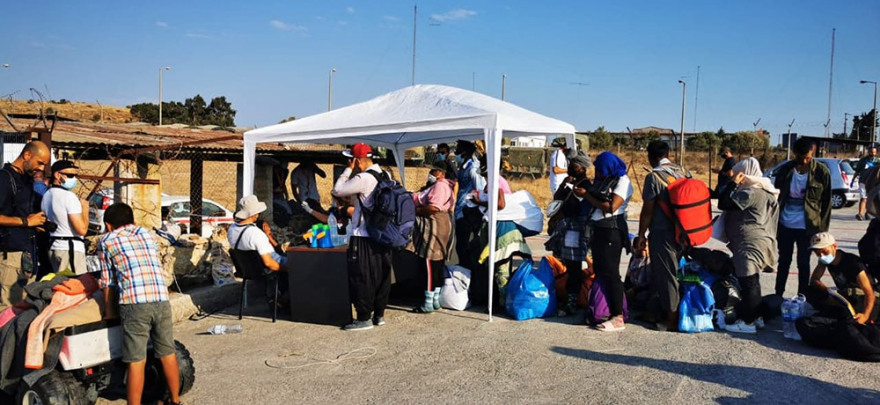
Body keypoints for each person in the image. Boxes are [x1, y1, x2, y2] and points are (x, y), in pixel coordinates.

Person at [96, 203, 181, 405]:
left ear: (108, 225)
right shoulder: (147, 234)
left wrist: (109, 313)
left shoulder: (107, 241)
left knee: (136, 360)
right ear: (132, 221)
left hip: (134, 303)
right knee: (167, 352)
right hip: (161, 299)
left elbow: (108, 282)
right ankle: (175, 400)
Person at [331, 143, 393, 331]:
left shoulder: (363, 177)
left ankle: (364, 317)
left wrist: (347, 170)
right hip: (383, 233)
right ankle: (379, 314)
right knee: (381, 274)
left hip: (363, 234)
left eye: (351, 159)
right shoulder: (385, 175)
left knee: (361, 276)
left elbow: (337, 190)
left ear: (357, 160)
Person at [717, 157, 779, 334]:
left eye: (737, 175)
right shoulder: (766, 190)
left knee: (749, 283)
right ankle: (756, 316)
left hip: (749, 243)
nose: (736, 178)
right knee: (753, 281)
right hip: (759, 240)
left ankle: (748, 322)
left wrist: (732, 184)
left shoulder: (751, 192)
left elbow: (724, 203)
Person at [634, 140, 690, 331]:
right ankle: (653, 311)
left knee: (667, 275)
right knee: (664, 272)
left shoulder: (654, 177)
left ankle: (672, 319)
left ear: (650, 156)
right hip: (684, 232)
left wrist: (641, 234)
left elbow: (648, 210)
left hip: (662, 233)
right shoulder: (683, 171)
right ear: (668, 153)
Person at [580, 151, 633, 331]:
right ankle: (603, 311)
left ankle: (618, 317)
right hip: (599, 230)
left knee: (611, 273)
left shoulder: (623, 182)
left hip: (612, 230)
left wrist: (587, 195)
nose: (598, 173)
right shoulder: (606, 179)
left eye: (601, 170)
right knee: (601, 271)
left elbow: (611, 207)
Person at [774, 137, 831, 297]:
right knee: (784, 261)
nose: (805, 160)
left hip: (808, 226)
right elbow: (776, 196)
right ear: (795, 154)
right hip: (785, 224)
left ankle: (802, 296)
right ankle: (778, 294)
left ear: (812, 153)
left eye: (808, 157)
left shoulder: (821, 171)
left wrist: (822, 230)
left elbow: (826, 203)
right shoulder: (785, 170)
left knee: (803, 263)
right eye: (801, 157)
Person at [0, 141, 49, 310]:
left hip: (27, 254)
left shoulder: (26, 181)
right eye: (40, 162)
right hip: (10, 255)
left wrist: (36, 223)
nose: (41, 168)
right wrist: (27, 222)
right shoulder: (4, 179)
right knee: (9, 309)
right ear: (27, 155)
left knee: (23, 307)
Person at [546, 154, 592, 316]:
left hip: (576, 230)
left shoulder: (586, 185)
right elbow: (557, 198)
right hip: (567, 229)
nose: (571, 167)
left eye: (574, 165)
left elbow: (577, 208)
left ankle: (572, 301)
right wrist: (564, 185)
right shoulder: (572, 182)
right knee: (564, 262)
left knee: (573, 265)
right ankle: (566, 295)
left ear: (582, 168)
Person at [227, 195, 288, 310]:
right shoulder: (255, 233)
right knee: (298, 263)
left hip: (247, 270)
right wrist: (289, 269)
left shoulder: (231, 230)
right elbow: (269, 263)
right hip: (266, 267)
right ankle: (284, 300)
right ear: (255, 215)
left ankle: (275, 296)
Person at [410, 168, 456, 313]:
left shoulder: (440, 186)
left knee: (429, 263)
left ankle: (428, 302)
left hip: (434, 226)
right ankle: (435, 299)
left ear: (442, 173)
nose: (431, 174)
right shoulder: (447, 185)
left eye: (434, 172)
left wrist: (416, 211)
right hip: (443, 225)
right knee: (438, 263)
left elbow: (434, 207)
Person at [808, 232, 879, 324]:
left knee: (842, 316)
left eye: (825, 251)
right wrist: (825, 289)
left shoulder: (853, 263)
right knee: (811, 291)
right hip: (846, 298)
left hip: (862, 298)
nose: (822, 256)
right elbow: (814, 280)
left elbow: (869, 292)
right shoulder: (824, 261)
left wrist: (865, 315)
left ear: (834, 246)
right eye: (818, 253)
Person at [41, 160, 89, 274]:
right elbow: (82, 230)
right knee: (75, 286)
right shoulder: (69, 197)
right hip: (70, 248)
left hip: (54, 246)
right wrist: (85, 209)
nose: (74, 179)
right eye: (70, 175)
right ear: (57, 175)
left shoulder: (47, 195)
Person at [453, 140, 486, 271]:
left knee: (465, 247)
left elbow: (480, 189)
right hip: (461, 210)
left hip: (468, 212)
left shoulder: (473, 168)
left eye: (458, 151)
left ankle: (467, 273)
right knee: (461, 247)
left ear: (465, 152)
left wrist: (474, 204)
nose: (456, 153)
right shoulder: (464, 167)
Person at [854, 145, 880, 221]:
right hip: (863, 181)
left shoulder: (877, 161)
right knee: (864, 198)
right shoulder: (863, 161)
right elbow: (857, 171)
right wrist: (853, 179)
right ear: (868, 152)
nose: (873, 153)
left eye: (874, 152)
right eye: (871, 151)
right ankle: (860, 214)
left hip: (873, 183)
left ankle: (869, 213)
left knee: (872, 199)